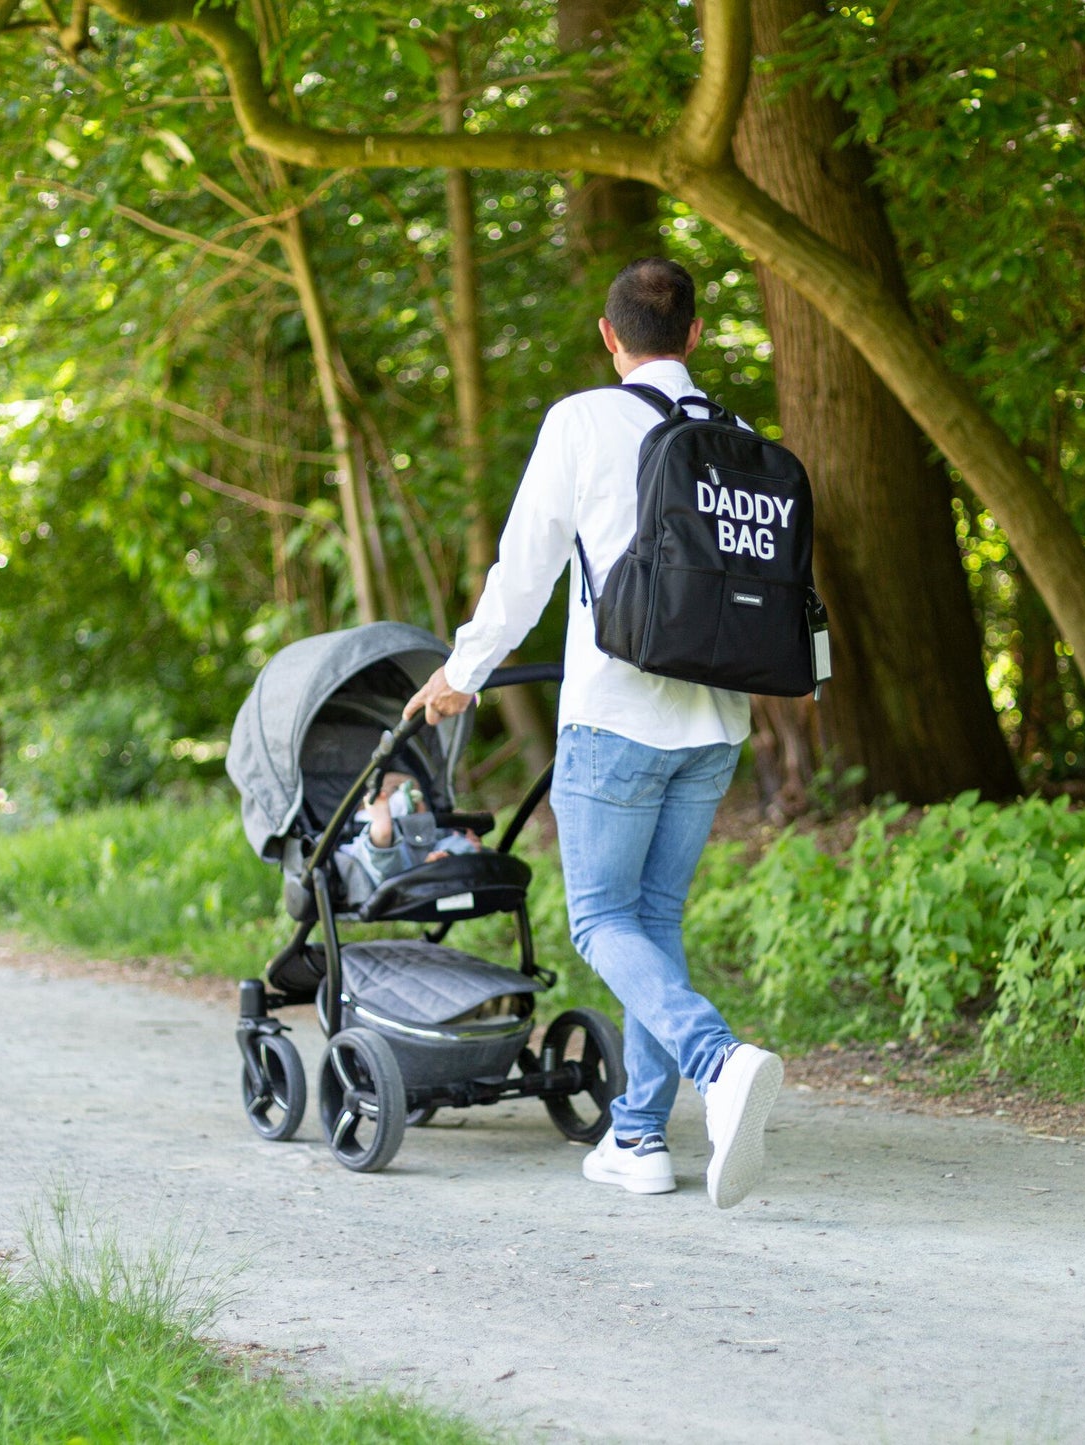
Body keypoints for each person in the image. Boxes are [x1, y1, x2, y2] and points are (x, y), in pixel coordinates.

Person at [404, 257, 784, 1210]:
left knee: (603, 920)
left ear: (608, 337)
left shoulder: (580, 420)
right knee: (651, 924)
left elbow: (524, 567)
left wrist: (461, 673)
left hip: (616, 714)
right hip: (714, 722)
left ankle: (718, 1060)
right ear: (694, 337)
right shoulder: (733, 434)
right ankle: (639, 1138)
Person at [335, 769, 480, 903]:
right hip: (376, 875)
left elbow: (446, 834)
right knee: (376, 853)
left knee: (453, 842)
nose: (413, 802)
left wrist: (458, 827)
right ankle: (382, 828)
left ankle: (451, 856)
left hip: (424, 860)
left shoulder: (428, 828)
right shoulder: (358, 824)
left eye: (418, 797)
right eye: (395, 790)